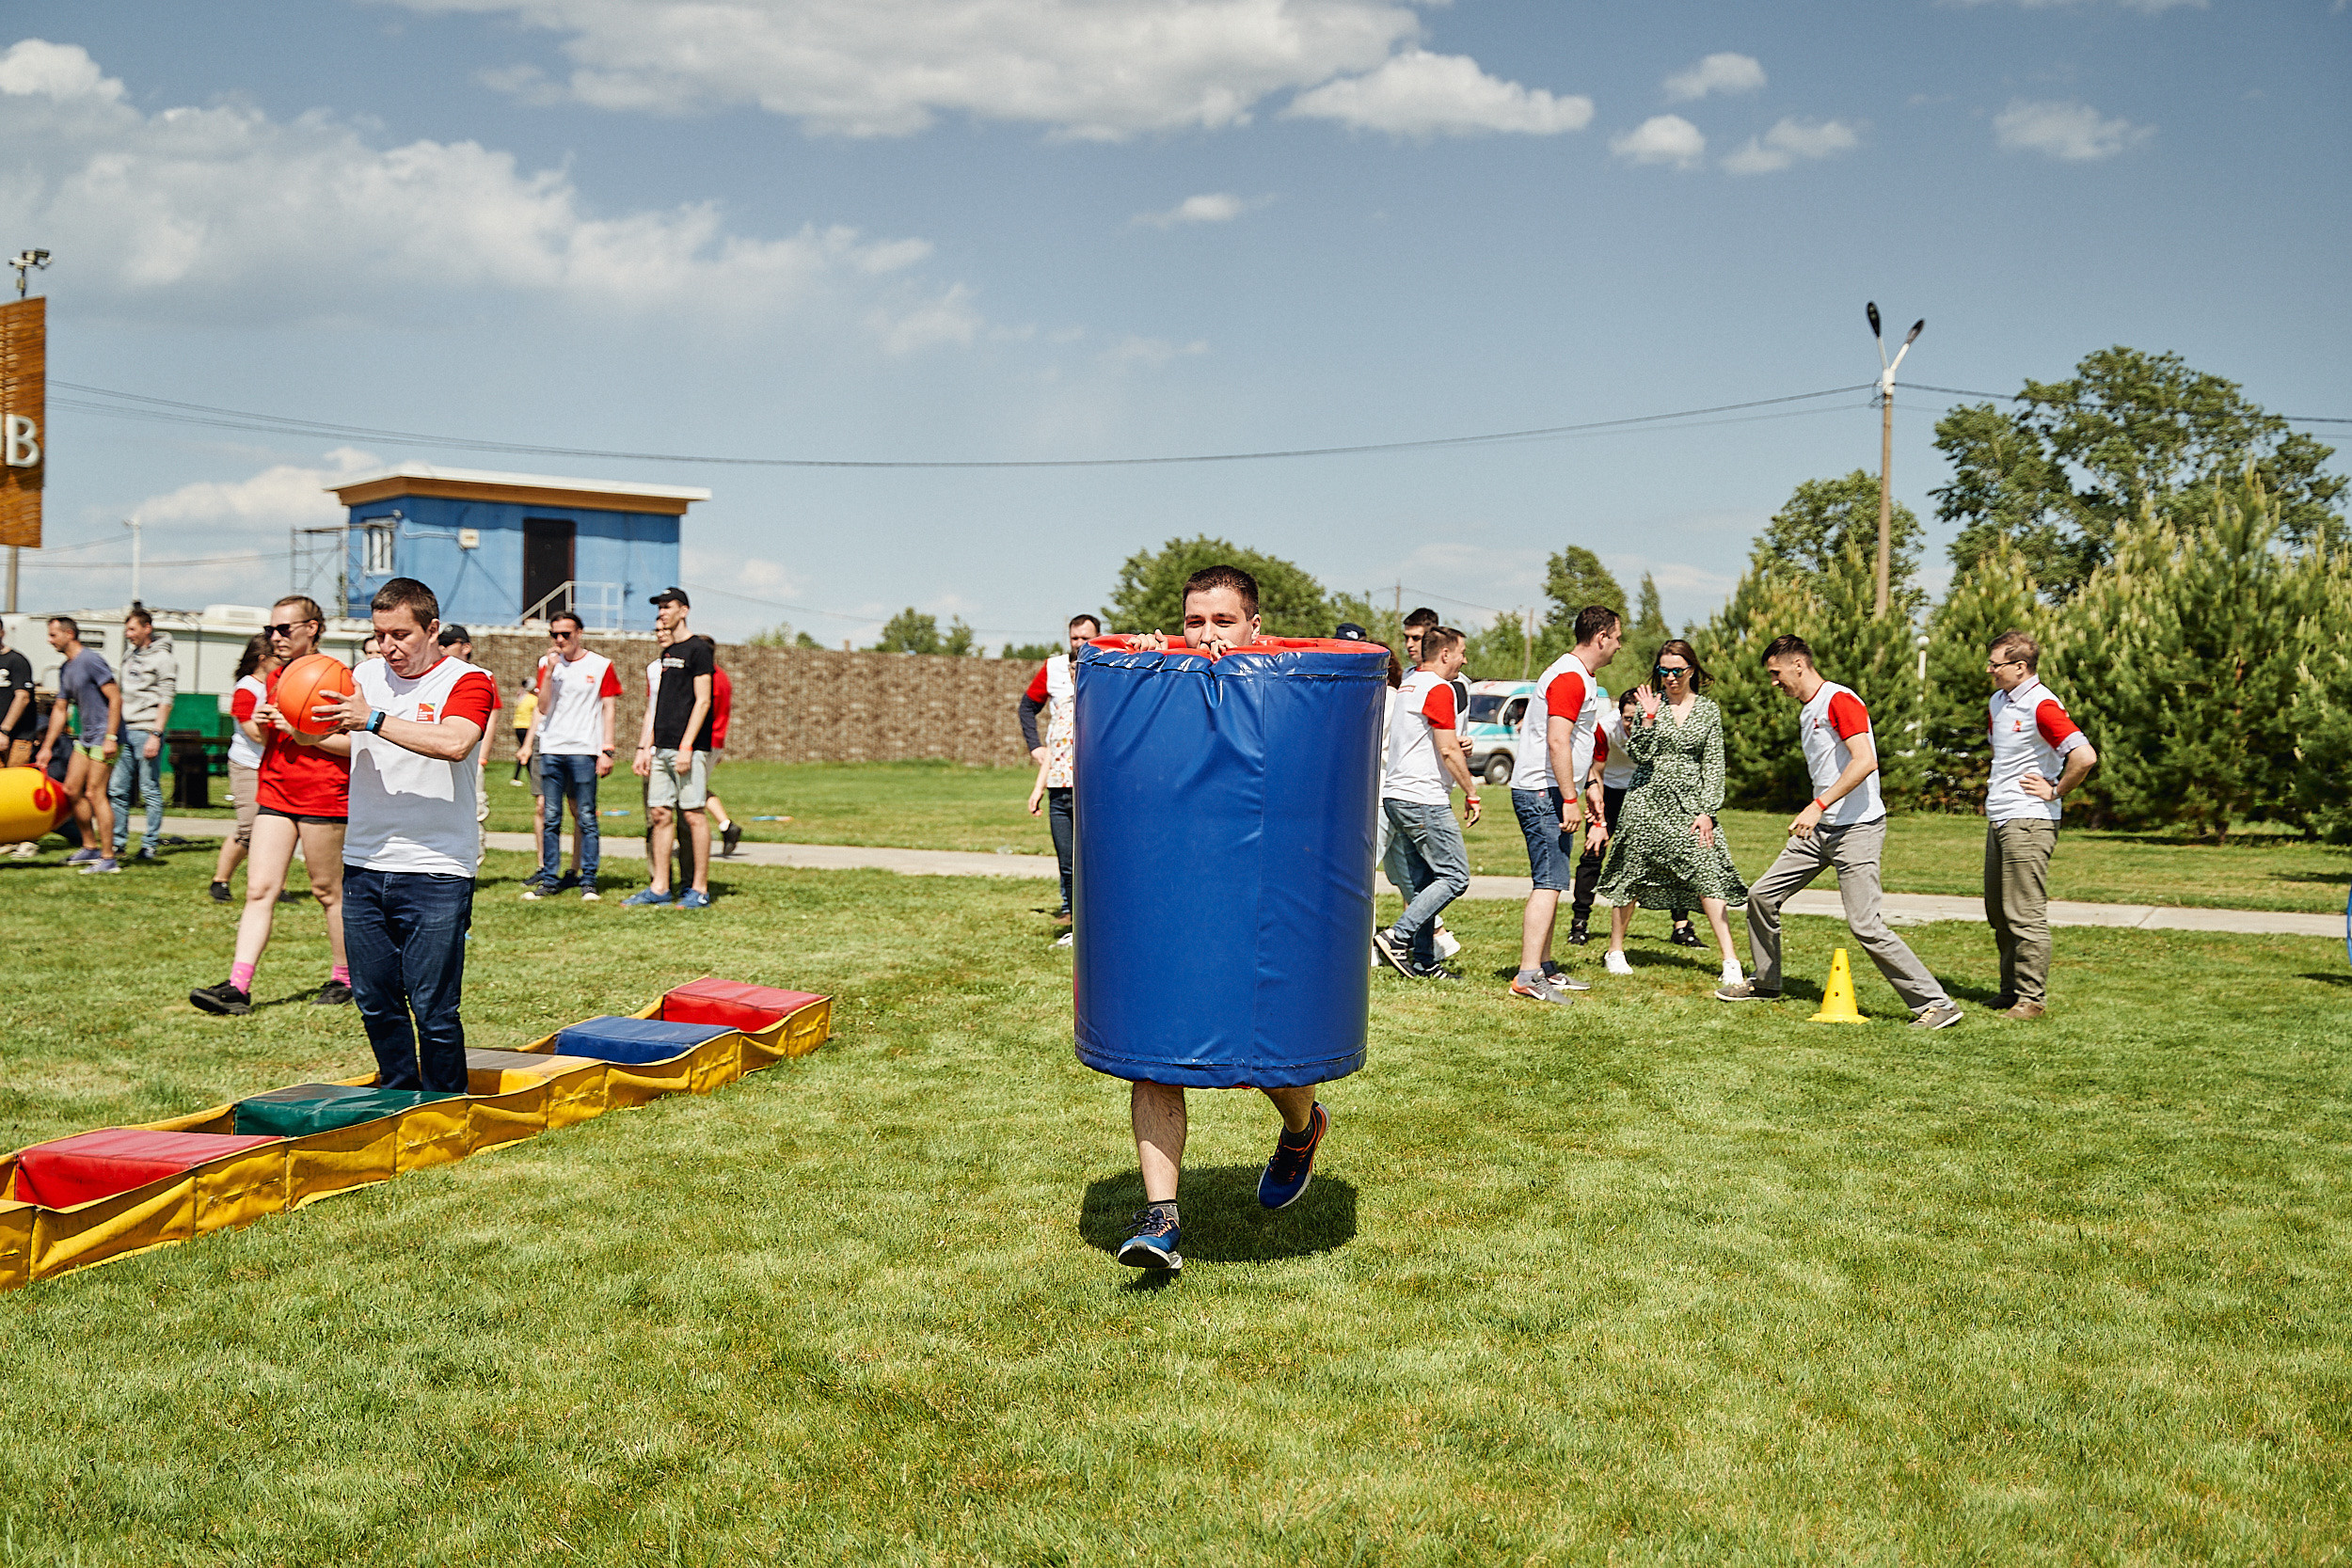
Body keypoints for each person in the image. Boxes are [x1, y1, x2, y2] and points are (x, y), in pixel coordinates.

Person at [1114, 564, 1336, 1273]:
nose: (1205, 635)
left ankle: (1302, 1130)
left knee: (1266, 1051)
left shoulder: (1286, 682)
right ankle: (1161, 1219)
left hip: (1261, 892)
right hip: (1175, 889)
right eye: (1193, 622)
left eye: (1222, 621)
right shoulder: (1167, 678)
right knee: (1153, 1054)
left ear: (1254, 626)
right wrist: (1144, 673)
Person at [309, 578, 499, 1092]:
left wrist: (371, 718)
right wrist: (293, 722)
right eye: (379, 635)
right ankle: (396, 1093)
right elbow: (353, 745)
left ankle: (444, 1105)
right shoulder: (365, 675)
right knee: (375, 998)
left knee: (434, 1005)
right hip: (366, 861)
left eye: (400, 634)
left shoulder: (469, 680)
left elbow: (456, 742)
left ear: (432, 629)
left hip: (438, 866)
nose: (387, 647)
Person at [1717, 635, 1963, 1029]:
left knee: (1865, 924)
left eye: (1776, 673)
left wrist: (1818, 804)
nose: (1774, 683)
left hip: (1857, 829)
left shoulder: (1839, 700)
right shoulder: (1807, 709)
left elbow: (1864, 761)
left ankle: (1937, 1004)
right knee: (1761, 896)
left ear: (1798, 664)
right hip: (1819, 831)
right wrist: (1819, 810)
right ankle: (1766, 981)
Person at [188, 596, 352, 1015]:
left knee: (327, 891)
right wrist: (262, 726)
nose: (274, 637)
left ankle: (346, 977)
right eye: (270, 630)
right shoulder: (273, 677)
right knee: (259, 889)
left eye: (284, 629)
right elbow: (268, 739)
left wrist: (301, 733)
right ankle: (238, 988)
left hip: (323, 793)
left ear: (312, 628)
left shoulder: (336, 676)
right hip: (275, 791)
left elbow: (355, 746)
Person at [1592, 641, 1748, 988]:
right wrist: (1646, 718)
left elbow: (1714, 764)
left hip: (1691, 805)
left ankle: (1730, 959)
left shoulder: (1708, 711)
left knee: (1708, 871)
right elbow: (1639, 754)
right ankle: (1615, 950)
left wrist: (1708, 810)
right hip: (1646, 801)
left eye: (1678, 670)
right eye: (1665, 671)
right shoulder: (1651, 705)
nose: (1671, 677)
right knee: (1632, 872)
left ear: (1692, 670)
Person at [1505, 604, 1621, 1003]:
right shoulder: (1570, 677)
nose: (1619, 646)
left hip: (1556, 789)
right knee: (1549, 881)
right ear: (1601, 637)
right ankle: (1527, 975)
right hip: (1543, 791)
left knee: (1555, 881)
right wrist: (1569, 798)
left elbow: (1575, 743)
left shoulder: (1580, 676)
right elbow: (1557, 739)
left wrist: (1588, 783)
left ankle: (1546, 967)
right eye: (1617, 638)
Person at [1982, 629, 2098, 1021]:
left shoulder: (2042, 704)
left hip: (2029, 820)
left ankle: (2031, 999)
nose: (1990, 671)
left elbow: (2083, 755)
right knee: (1998, 911)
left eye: (1996, 664)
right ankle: (2009, 990)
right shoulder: (1998, 701)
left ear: (2020, 666)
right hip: (2000, 815)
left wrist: (2055, 790)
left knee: (2024, 912)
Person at [1372, 625, 1480, 980]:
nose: (1465, 659)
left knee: (1423, 883)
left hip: (1396, 794)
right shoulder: (1439, 688)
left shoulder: (1410, 683)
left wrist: (1453, 744)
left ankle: (1424, 962)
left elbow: (1430, 739)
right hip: (1423, 798)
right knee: (1454, 876)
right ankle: (1396, 936)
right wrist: (1471, 790)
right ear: (1445, 653)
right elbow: (1447, 749)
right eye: (1462, 652)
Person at [516, 610, 620, 900]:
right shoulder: (547, 664)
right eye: (554, 634)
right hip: (552, 748)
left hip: (584, 750)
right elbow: (544, 707)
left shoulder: (601, 665)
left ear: (579, 634)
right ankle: (549, 879)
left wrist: (606, 749)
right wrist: (548, 672)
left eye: (566, 634)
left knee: (586, 816)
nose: (560, 639)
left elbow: (609, 708)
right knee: (551, 816)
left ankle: (588, 879)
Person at [628, 588, 715, 909]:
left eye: (668, 606)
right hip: (661, 748)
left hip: (687, 749)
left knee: (693, 815)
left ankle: (699, 889)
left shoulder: (698, 649)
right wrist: (645, 746)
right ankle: (660, 887)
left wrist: (686, 745)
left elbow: (703, 700)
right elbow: (658, 704)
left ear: (685, 610)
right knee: (660, 814)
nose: (662, 612)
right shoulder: (667, 653)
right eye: (660, 607)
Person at [1022, 613, 1102, 934]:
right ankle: (1068, 908)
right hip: (1058, 779)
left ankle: (1091, 912)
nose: (1080, 645)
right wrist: (1035, 747)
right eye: (1075, 639)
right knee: (1065, 854)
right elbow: (1026, 707)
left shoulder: (1107, 665)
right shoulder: (1053, 668)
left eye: (1087, 639)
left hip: (1090, 782)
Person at [35, 617, 121, 875]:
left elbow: (115, 698)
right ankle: (90, 847)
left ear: (69, 634)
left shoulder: (91, 660)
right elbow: (60, 709)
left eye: (53, 635)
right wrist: (46, 747)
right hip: (85, 738)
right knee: (72, 790)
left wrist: (111, 737)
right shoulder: (66, 668)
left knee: (96, 793)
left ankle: (109, 858)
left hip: (105, 737)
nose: (50, 641)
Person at [208, 633, 277, 902]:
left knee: (273, 828)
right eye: (277, 657)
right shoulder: (246, 688)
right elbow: (254, 735)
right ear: (263, 659)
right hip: (247, 765)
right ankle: (220, 881)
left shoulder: (274, 684)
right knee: (249, 829)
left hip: (270, 765)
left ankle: (272, 884)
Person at [432, 626, 501, 870]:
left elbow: (491, 718)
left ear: (466, 647)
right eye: (440, 642)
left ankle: (474, 861)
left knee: (475, 808)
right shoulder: (436, 676)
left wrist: (483, 756)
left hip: (471, 754)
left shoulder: (481, 676)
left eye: (449, 642)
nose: (442, 647)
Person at [705, 656, 740, 857]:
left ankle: (692, 843)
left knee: (690, 791)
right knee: (696, 789)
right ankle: (727, 826)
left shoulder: (707, 677)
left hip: (703, 741)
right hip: (716, 739)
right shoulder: (723, 676)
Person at [1, 617, 38, 768]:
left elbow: (22, 697)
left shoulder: (16, 661)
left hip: (16, 738)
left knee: (10, 786)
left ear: (2, 633)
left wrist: (4, 731)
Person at [508, 682, 537, 785]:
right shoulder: (532, 699)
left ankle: (523, 777)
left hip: (518, 726)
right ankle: (529, 777)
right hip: (527, 727)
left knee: (523, 751)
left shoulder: (521, 697)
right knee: (526, 752)